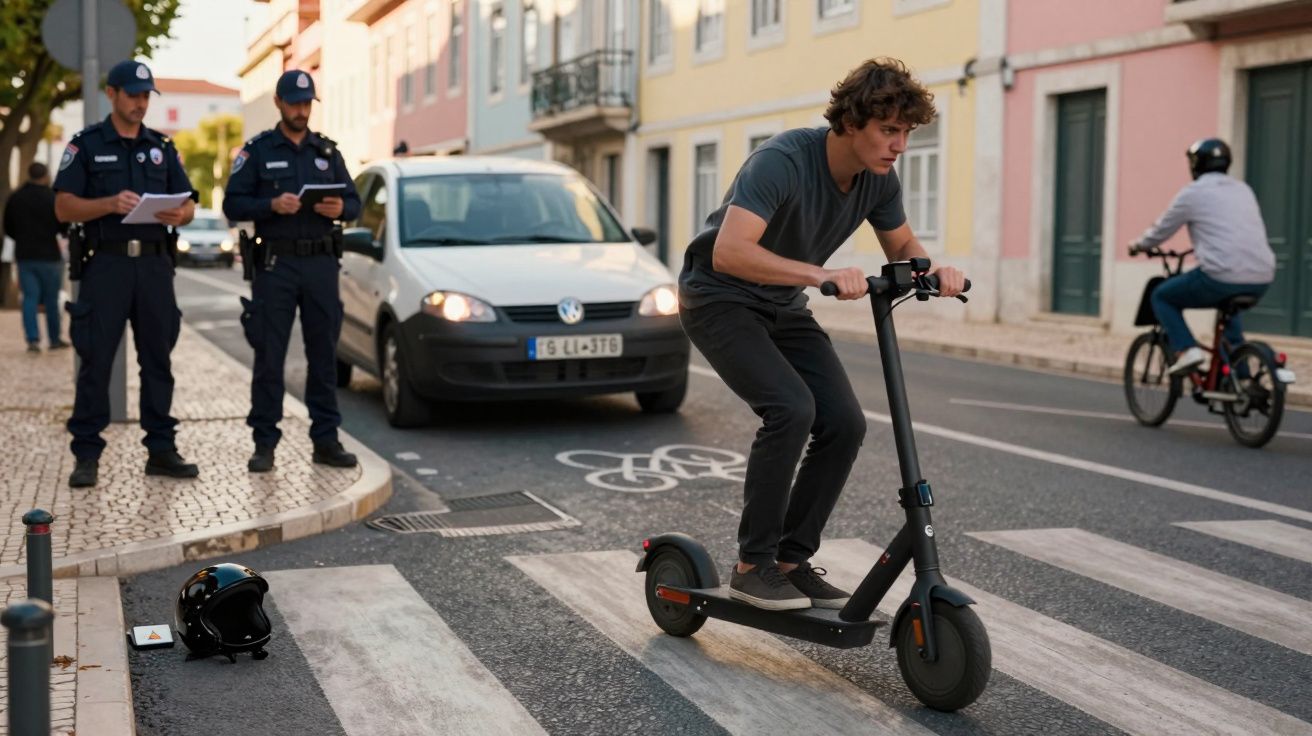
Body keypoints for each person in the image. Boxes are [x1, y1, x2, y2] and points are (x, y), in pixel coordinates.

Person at [678, 58, 965, 611]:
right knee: (790, 409)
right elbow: (729, 252)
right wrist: (822, 274)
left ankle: (789, 560)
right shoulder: (781, 161)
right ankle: (751, 565)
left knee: (845, 422)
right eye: (889, 130)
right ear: (851, 123)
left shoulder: (879, 179)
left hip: (782, 303)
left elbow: (903, 246)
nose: (899, 144)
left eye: (906, 132)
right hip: (719, 298)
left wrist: (935, 270)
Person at [53, 60, 200, 489]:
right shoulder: (86, 145)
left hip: (154, 265)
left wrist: (182, 213)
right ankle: (86, 453)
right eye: (132, 94)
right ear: (112, 94)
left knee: (158, 359)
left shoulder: (162, 147)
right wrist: (108, 204)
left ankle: (161, 449)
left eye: (145, 95)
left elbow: (188, 204)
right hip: (107, 264)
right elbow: (63, 207)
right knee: (96, 360)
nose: (140, 102)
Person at [223, 70, 361, 473]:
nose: (301, 110)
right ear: (279, 104)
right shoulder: (258, 151)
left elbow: (353, 202)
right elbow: (233, 204)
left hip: (320, 263)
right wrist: (270, 205)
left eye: (307, 103)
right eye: (295, 103)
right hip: (276, 264)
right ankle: (264, 443)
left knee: (324, 355)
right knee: (270, 356)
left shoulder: (328, 153)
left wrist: (341, 210)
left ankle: (326, 440)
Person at [1130, 138, 1276, 375]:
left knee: (1162, 296)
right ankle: (1241, 380)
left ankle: (1187, 349)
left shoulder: (1192, 194)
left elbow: (1160, 231)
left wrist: (1137, 245)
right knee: (1230, 310)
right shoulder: (1243, 189)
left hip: (1220, 275)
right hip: (1262, 276)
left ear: (1196, 165)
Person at [4, 162, 69, 353]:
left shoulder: (16, 197)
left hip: (25, 255)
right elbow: (63, 225)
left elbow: (8, 227)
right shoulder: (52, 197)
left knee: (30, 298)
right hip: (50, 255)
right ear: (46, 175)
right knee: (51, 299)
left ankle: (32, 339)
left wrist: (22, 238)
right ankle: (54, 338)